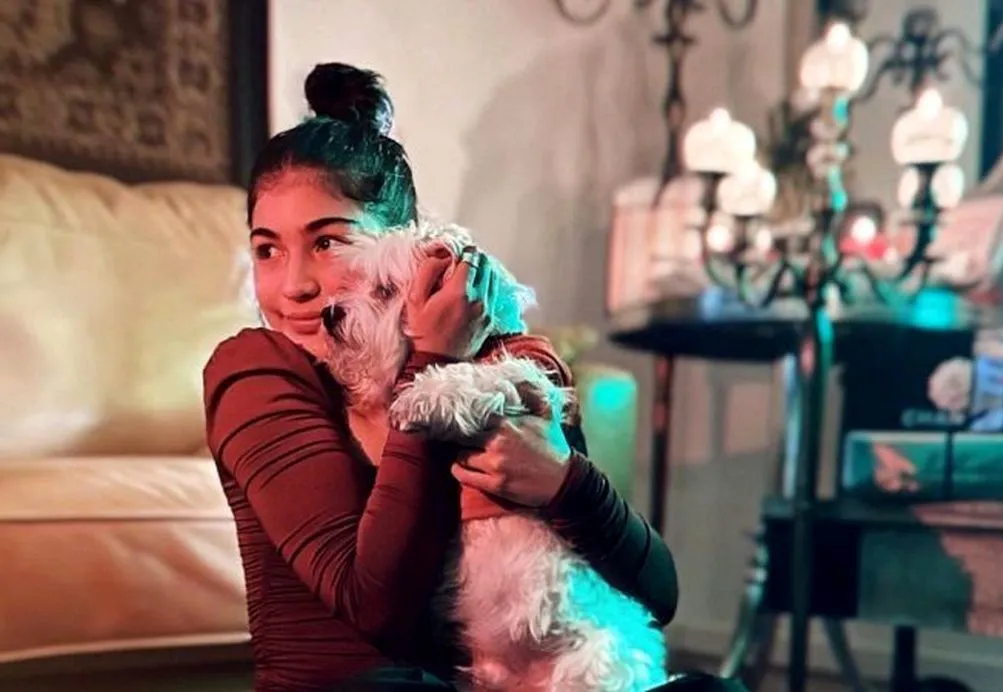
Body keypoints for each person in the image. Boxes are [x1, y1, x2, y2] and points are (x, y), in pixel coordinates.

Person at [204, 62, 745, 692]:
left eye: (328, 243)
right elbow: (375, 609)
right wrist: (432, 357)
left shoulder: (502, 371)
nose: (294, 285)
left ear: (404, 248)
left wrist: (564, 481)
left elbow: (659, 593)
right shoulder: (255, 371)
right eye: (267, 249)